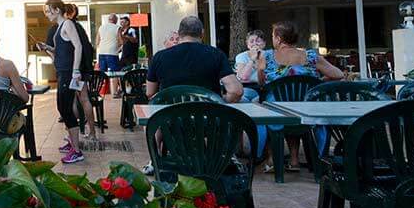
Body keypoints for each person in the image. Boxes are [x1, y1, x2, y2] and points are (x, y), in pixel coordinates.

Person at [255, 21, 344, 172]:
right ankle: (294, 160)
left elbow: (261, 82)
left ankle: (271, 158)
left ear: (279, 38)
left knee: (263, 106)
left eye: (272, 36)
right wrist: (318, 82)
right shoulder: (311, 57)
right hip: (306, 110)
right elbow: (339, 74)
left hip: (277, 111)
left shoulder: (267, 56)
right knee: (293, 106)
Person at [145, 16, 243, 102]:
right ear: (202, 33)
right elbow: (236, 91)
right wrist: (221, 100)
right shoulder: (216, 54)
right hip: (209, 117)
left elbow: (150, 92)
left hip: (170, 118)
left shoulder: (159, 57)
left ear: (179, 34)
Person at [45, 0, 85, 164]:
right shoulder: (60, 28)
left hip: (69, 73)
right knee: (63, 108)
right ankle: (72, 143)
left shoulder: (68, 24)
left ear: (56, 10)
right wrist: (48, 48)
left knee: (66, 109)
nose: (46, 14)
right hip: (62, 72)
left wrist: (76, 70)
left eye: (48, 11)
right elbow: (63, 49)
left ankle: (77, 150)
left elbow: (78, 46)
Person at [64, 4, 98, 145]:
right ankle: (90, 132)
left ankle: (76, 134)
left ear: (70, 13)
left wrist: (75, 69)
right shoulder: (79, 27)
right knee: (83, 100)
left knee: (76, 101)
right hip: (82, 69)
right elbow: (89, 47)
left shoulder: (70, 26)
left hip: (75, 70)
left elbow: (76, 48)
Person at [234, 29, 266, 102]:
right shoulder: (241, 56)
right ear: (248, 45)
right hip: (247, 88)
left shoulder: (269, 56)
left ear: (264, 43)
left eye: (258, 41)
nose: (255, 43)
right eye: (251, 41)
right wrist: (252, 59)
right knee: (243, 99)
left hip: (264, 88)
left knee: (259, 100)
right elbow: (243, 77)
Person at [96, 14, 122, 97]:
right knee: (114, 73)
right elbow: (120, 41)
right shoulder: (117, 28)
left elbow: (97, 42)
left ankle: (100, 92)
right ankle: (114, 93)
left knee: (102, 73)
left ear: (108, 20)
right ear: (116, 20)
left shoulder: (101, 27)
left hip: (102, 52)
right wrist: (118, 48)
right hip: (112, 53)